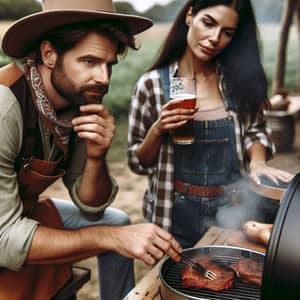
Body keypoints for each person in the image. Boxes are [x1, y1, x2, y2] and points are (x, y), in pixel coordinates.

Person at [0, 1, 182, 299]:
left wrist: (96, 156)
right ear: (49, 54)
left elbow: (91, 207)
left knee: (117, 220)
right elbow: (4, 240)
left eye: (109, 64)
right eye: (89, 61)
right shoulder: (5, 107)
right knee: (114, 232)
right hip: (4, 229)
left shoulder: (80, 98)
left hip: (22, 212)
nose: (104, 78)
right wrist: (110, 238)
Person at [127, 0, 294, 249]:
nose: (215, 38)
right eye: (208, 23)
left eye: (227, 33)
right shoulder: (151, 85)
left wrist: (258, 161)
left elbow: (255, 130)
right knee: (178, 283)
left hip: (233, 211)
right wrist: (158, 130)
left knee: (229, 278)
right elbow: (137, 162)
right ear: (189, 16)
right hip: (172, 215)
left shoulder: (236, 80)